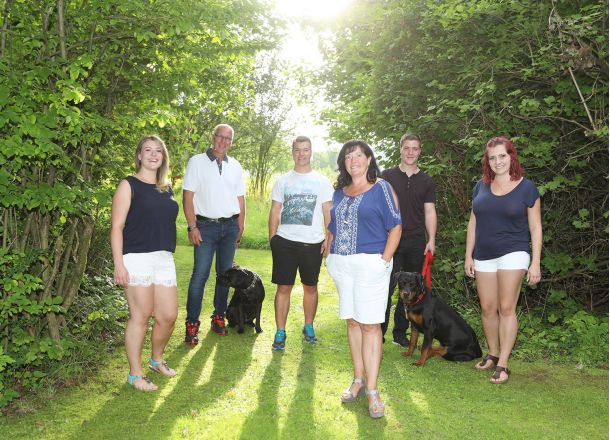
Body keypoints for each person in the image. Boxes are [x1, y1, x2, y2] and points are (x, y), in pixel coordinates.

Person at [325, 140, 402, 418]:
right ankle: (358, 379)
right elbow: (332, 227)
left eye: (359, 155)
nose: (353, 160)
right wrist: (329, 255)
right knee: (353, 322)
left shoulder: (382, 188)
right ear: (343, 162)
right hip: (342, 265)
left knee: (370, 325)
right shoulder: (339, 192)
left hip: (371, 265)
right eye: (348, 156)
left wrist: (384, 261)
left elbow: (396, 226)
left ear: (369, 159)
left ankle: (372, 390)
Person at [464, 136, 542, 384]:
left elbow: (536, 227)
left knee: (506, 307)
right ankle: (493, 353)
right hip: (483, 255)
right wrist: (468, 255)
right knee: (488, 308)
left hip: (514, 252)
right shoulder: (480, 186)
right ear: (487, 161)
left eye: (502, 156)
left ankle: (504, 364)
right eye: (492, 157)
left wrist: (535, 262)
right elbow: (473, 223)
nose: (497, 161)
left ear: (511, 157)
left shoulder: (527, 188)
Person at [111, 135, 179, 391]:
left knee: (168, 315)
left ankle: (156, 360)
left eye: (158, 151)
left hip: (163, 258)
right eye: (147, 150)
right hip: (136, 257)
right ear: (139, 155)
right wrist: (119, 264)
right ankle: (135, 374)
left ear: (163, 157)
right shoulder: (128, 185)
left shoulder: (166, 188)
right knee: (140, 315)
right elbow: (116, 227)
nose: (153, 154)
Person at [268, 136, 334, 350]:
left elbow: (327, 211)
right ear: (292, 152)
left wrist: (329, 238)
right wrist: (273, 238)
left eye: (305, 150)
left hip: (312, 243)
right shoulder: (283, 181)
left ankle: (308, 326)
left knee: (310, 287)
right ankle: (280, 331)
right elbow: (275, 210)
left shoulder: (322, 181)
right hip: (285, 242)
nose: (301, 154)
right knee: (283, 287)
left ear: (311, 152)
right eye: (297, 150)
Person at [183, 124, 246, 344]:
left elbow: (240, 199)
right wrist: (192, 227)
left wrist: (240, 227)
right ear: (213, 137)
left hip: (230, 228)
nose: (224, 141)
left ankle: (219, 317)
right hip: (205, 228)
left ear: (231, 142)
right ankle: (192, 323)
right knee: (199, 275)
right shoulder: (197, 162)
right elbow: (188, 196)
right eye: (220, 136)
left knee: (225, 276)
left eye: (228, 138)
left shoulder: (235, 165)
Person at [380, 133, 437, 347]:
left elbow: (429, 212)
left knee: (410, 290)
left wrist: (431, 239)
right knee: (385, 287)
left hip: (416, 240)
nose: (410, 152)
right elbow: (378, 207)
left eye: (415, 148)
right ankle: (378, 331)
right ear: (401, 150)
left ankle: (400, 333)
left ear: (420, 151)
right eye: (407, 148)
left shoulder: (426, 181)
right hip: (389, 239)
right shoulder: (387, 176)